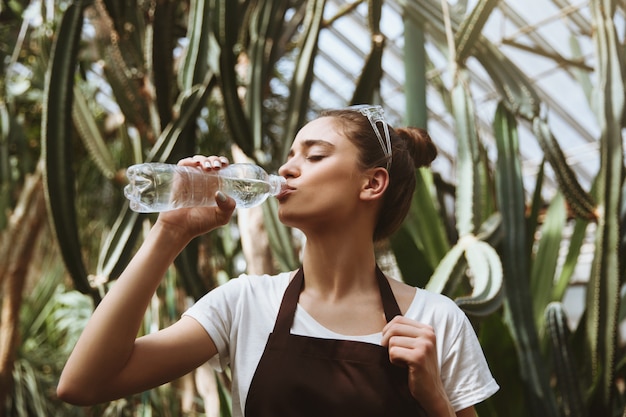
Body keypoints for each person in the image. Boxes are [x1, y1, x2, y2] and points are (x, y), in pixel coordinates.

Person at [57, 105, 499, 416]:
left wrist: (435, 401)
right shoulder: (245, 303)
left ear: (371, 183)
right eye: (289, 155)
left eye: (314, 155)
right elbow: (83, 384)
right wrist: (170, 233)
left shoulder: (435, 322)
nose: (287, 169)